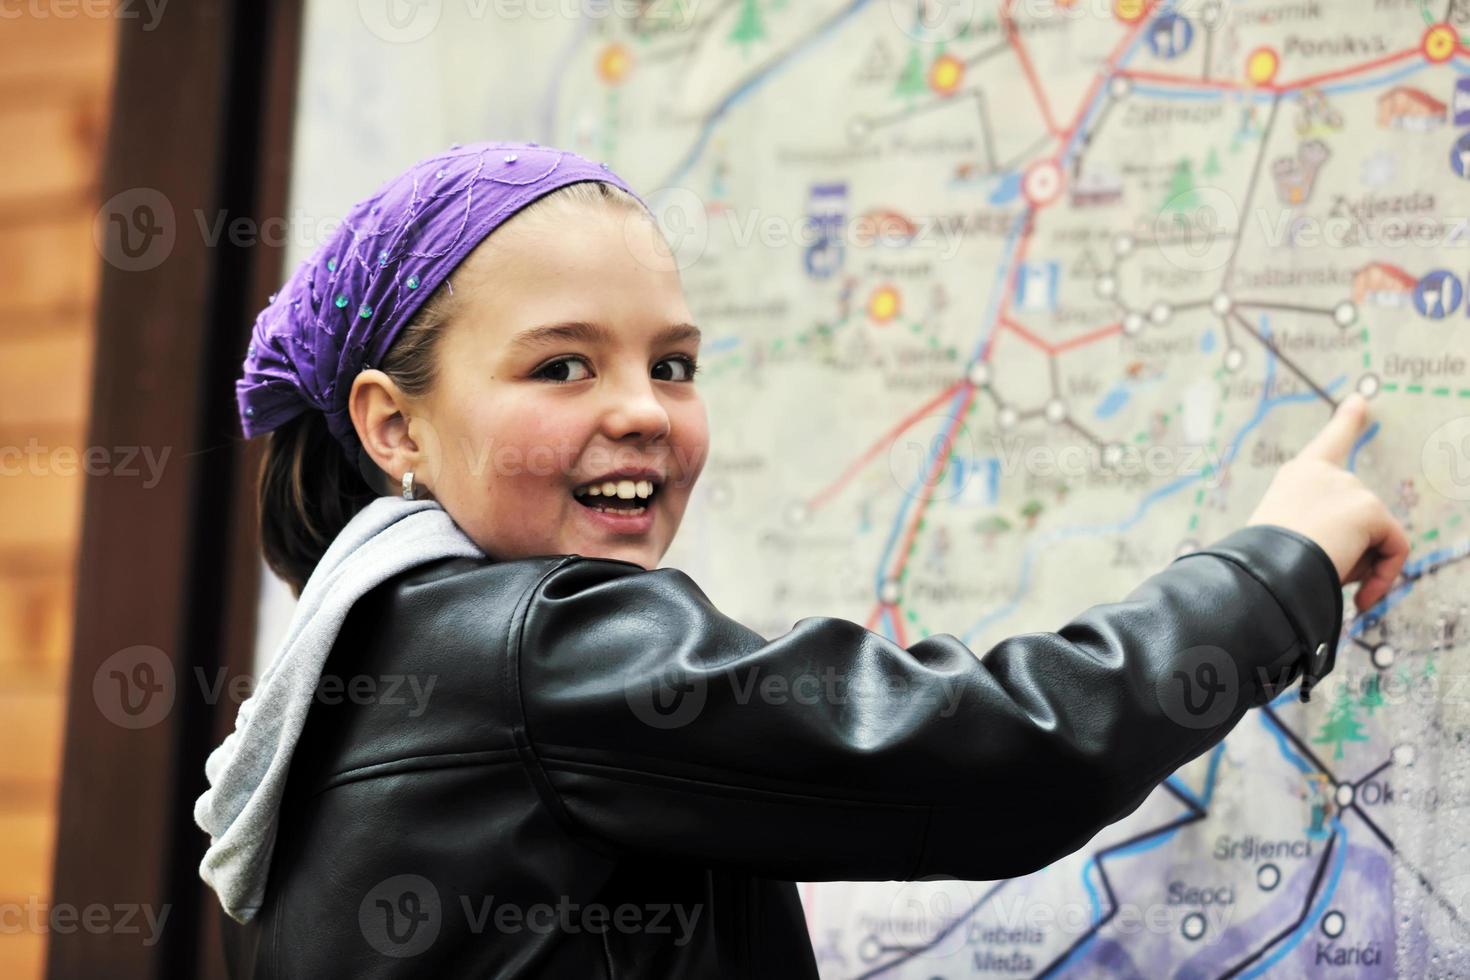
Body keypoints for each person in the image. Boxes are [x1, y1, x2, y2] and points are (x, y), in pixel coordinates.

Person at [196, 142, 1409, 978]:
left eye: (671, 363)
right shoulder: (531, 649)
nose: (643, 410)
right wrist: (1276, 567)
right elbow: (999, 751)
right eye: (562, 365)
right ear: (392, 424)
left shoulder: (345, 678)